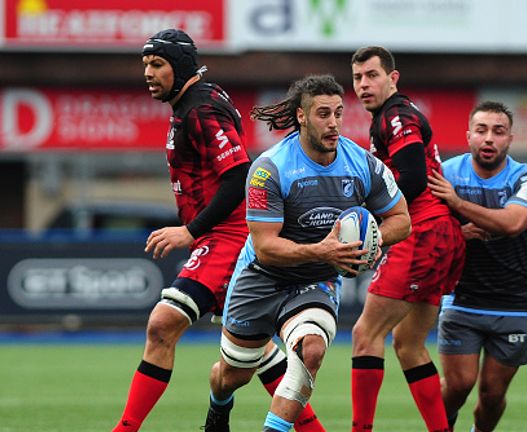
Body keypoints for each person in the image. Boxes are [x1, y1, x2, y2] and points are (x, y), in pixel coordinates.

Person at [114, 29, 323, 432]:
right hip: (226, 236)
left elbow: (238, 174)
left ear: (181, 67)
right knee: (252, 353)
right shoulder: (191, 104)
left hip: (228, 237)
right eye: (146, 65)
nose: (149, 73)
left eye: (157, 65)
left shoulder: (201, 108)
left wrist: (190, 231)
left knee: (163, 324)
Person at [205, 74, 411, 432]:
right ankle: (218, 409)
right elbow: (267, 248)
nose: (333, 123)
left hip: (315, 281)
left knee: (310, 350)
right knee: (233, 374)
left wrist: (372, 241)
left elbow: (401, 219)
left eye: (337, 113)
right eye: (322, 114)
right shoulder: (269, 169)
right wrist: (324, 250)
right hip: (260, 278)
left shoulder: (362, 164)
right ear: (301, 116)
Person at [350, 46, 466, 432]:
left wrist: (365, 206)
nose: (364, 84)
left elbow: (413, 179)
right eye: (358, 78)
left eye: (372, 75)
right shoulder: (392, 115)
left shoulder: (396, 115)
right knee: (408, 343)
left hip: (423, 231)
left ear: (392, 78)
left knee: (366, 335)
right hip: (440, 234)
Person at [428, 101, 527, 432]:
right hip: (461, 298)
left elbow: (513, 222)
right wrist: (456, 232)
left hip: (515, 301)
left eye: (498, 131)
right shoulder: (446, 174)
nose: (489, 139)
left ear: (510, 139)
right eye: (481, 131)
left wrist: (458, 204)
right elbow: (422, 227)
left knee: (492, 395)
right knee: (458, 386)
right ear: (468, 136)